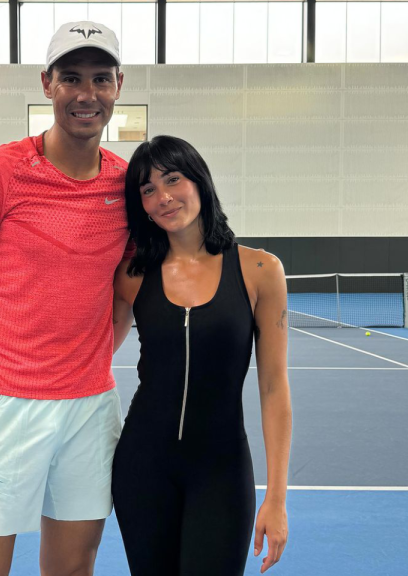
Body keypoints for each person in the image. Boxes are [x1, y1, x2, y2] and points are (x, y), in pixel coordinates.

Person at [0, 21, 130, 576]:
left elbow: (125, 296)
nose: (87, 94)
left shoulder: (127, 185)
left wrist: (85, 360)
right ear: (47, 84)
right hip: (5, 409)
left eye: (100, 79)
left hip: (91, 413)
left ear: (118, 85)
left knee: (73, 569)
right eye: (71, 78)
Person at [111, 135, 293, 575]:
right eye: (148, 189)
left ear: (200, 181)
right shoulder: (132, 275)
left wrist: (277, 497)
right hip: (143, 467)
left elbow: (273, 387)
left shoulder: (260, 270)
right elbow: (89, 352)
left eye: (173, 179)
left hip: (222, 471)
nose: (163, 197)